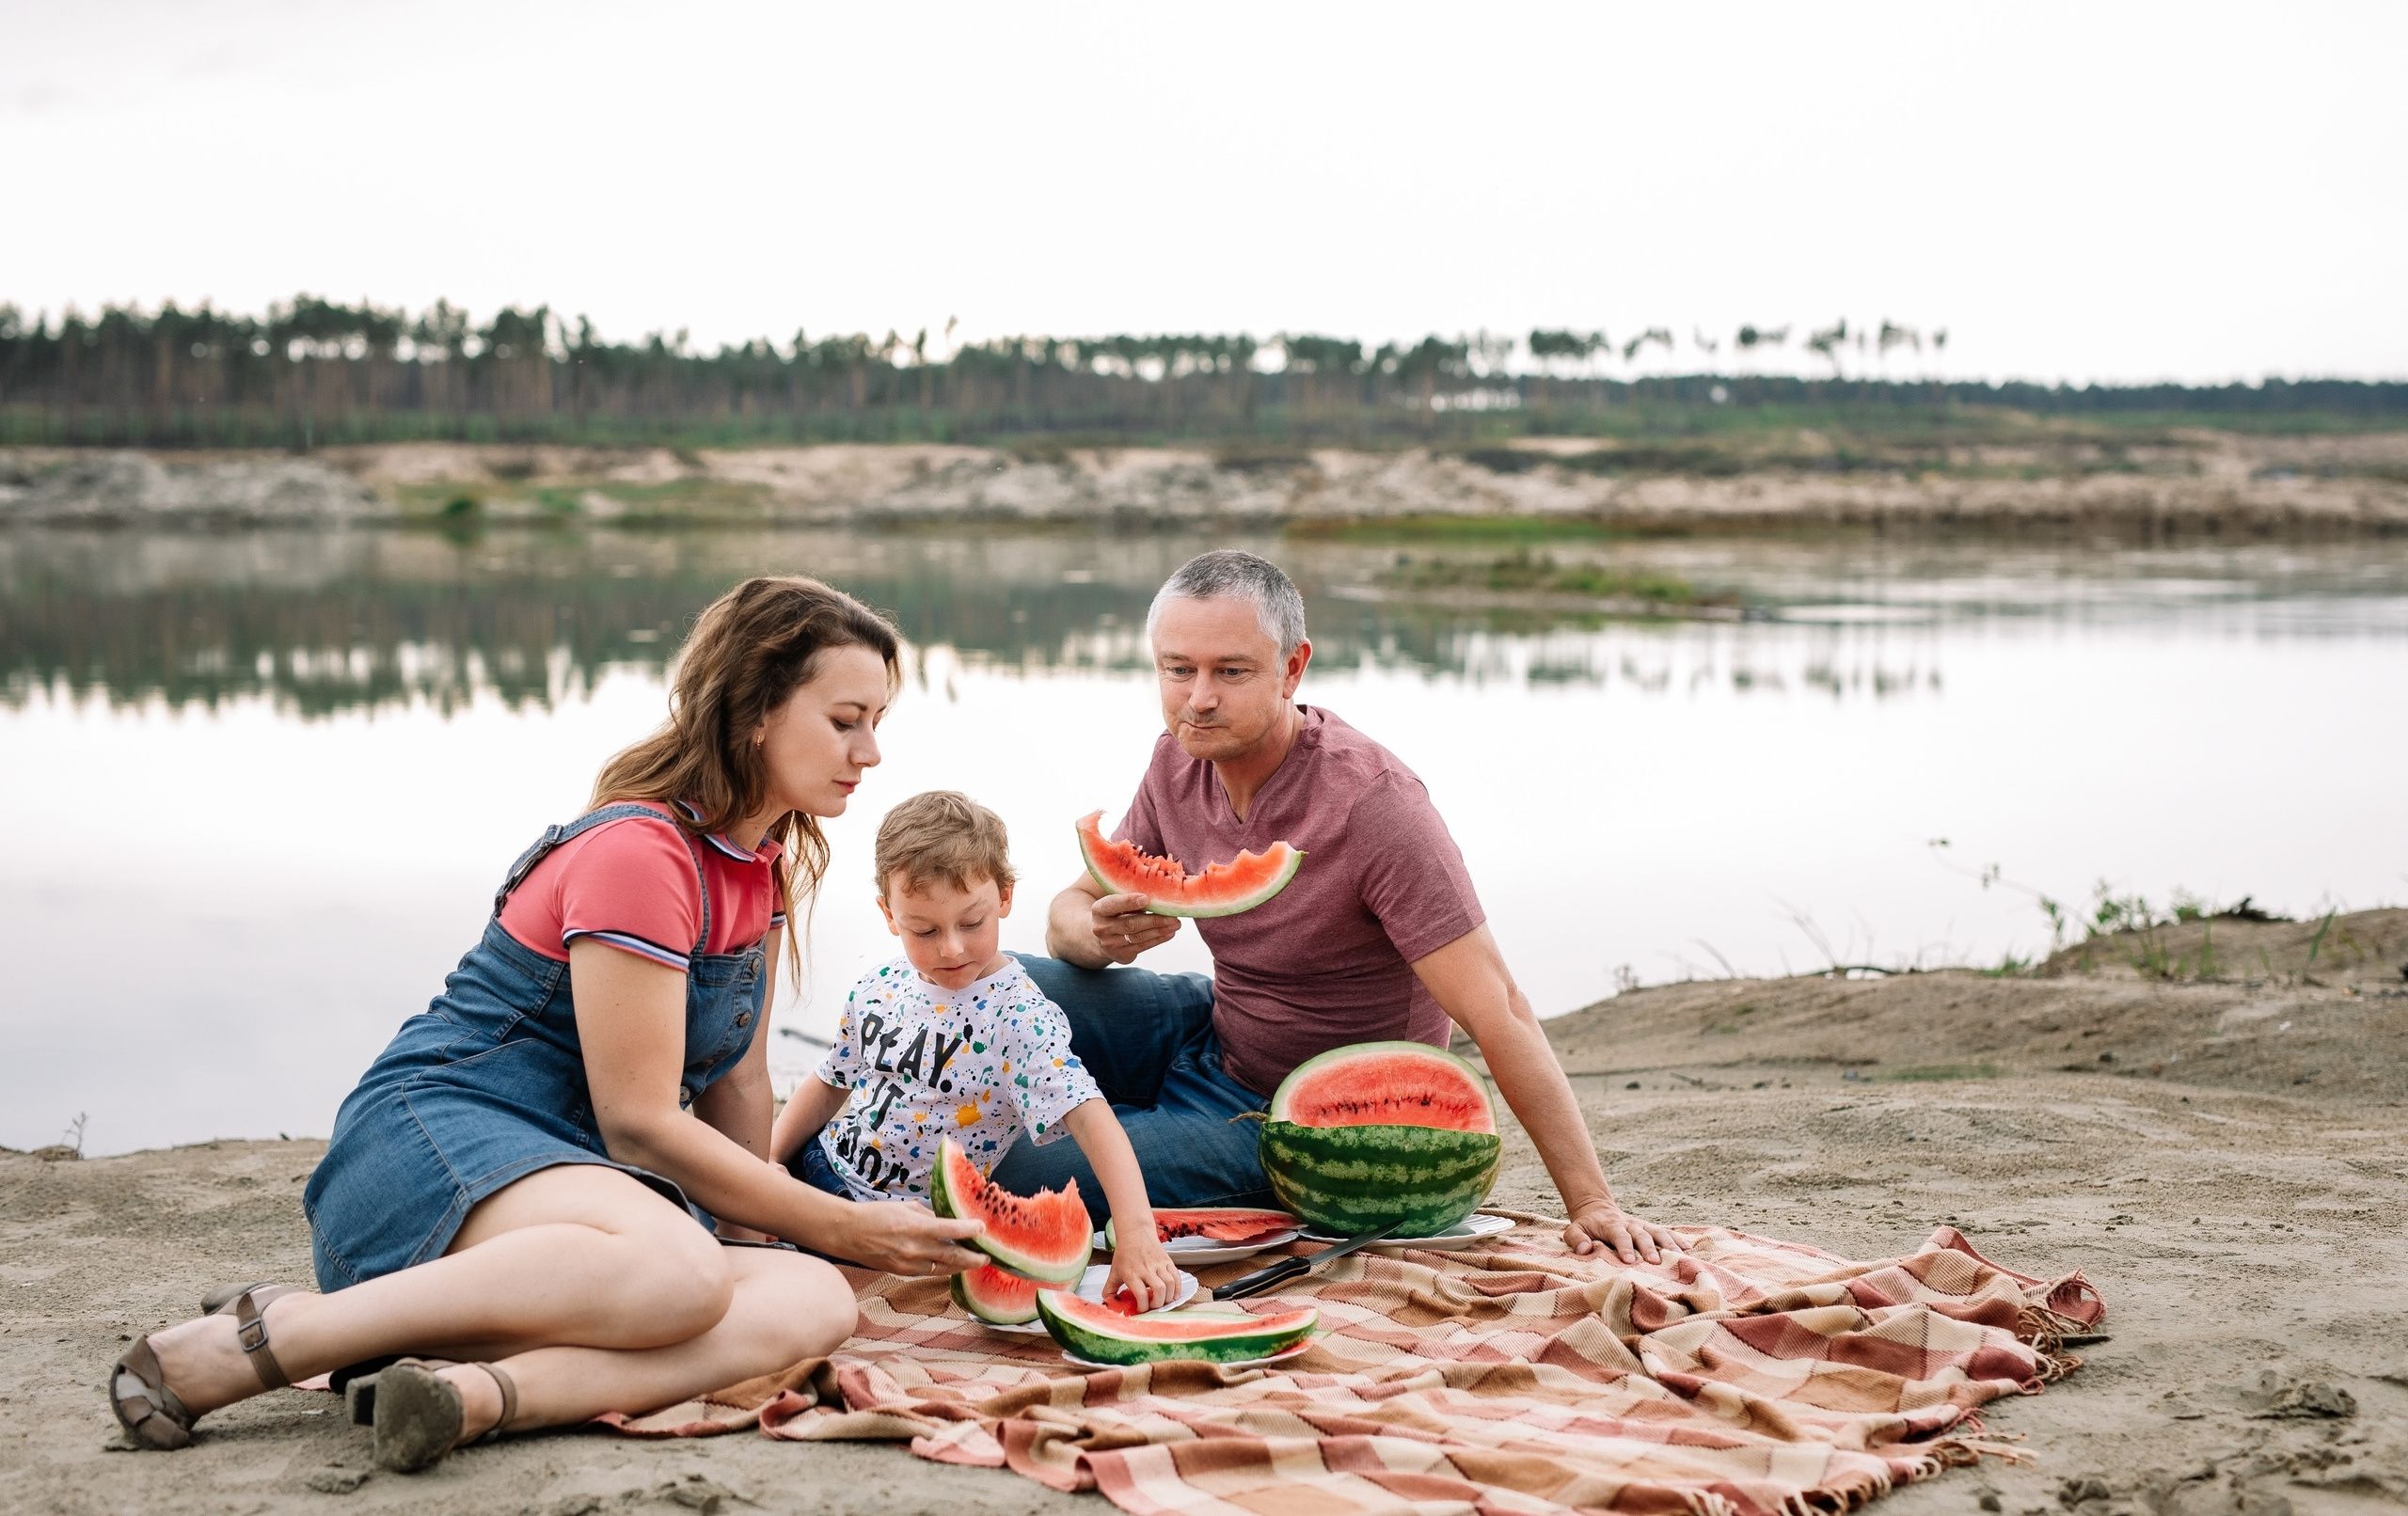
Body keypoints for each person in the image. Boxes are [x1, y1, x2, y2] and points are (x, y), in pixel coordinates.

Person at [108, 577, 990, 1470]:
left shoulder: (758, 870)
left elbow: (739, 1082)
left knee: (812, 1300)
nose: (870, 751)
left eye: (877, 721)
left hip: (584, 1209)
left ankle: (474, 1396)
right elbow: (638, 1120)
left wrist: (756, 1242)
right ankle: (277, 1336)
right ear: (759, 710)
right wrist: (835, 1222)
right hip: (433, 1151)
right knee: (684, 1275)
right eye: (845, 720)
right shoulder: (639, 851)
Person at [994, 549, 1682, 1265]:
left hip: (1306, 1116)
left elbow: (1499, 1008)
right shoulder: (1178, 760)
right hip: (1215, 1026)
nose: (1198, 698)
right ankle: (1124, 1122)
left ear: (1292, 668)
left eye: (1231, 672)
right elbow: (1070, 911)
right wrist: (1097, 935)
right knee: (997, 980)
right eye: (1178, 669)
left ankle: (1145, 1138)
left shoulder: (1373, 805)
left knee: (1021, 1175)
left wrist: (1591, 1202)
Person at [769, 790, 1181, 1309]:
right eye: (924, 929)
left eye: (971, 923)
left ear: (1005, 897)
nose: (951, 948)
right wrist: (769, 1161)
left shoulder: (1018, 1017)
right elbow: (830, 1083)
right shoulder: (878, 985)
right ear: (889, 915)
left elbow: (1091, 1117)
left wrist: (1137, 1234)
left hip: (906, 1229)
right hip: (816, 1168)